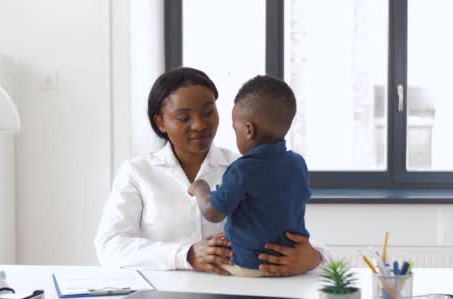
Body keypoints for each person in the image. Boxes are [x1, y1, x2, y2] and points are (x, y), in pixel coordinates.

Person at [95, 67, 325, 276]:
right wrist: (186, 255)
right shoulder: (137, 173)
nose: (199, 125)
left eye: (207, 112)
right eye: (184, 117)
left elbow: (292, 235)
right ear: (160, 122)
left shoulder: (249, 168)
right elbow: (109, 246)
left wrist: (314, 258)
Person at [188, 75, 311, 277]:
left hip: (249, 265)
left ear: (248, 130)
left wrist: (200, 188)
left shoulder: (242, 169)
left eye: (234, 129)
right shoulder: (297, 163)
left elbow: (213, 212)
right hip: (287, 266)